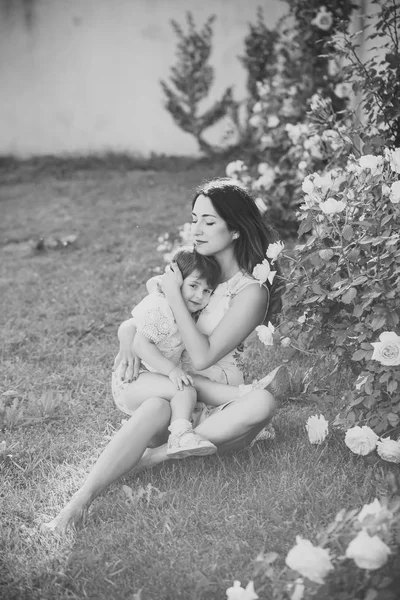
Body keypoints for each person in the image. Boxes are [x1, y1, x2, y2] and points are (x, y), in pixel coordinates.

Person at [45, 178, 290, 532]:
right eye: (195, 219)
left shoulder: (250, 292)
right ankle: (78, 503)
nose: (197, 229)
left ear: (235, 230)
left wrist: (175, 293)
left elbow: (203, 357)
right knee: (159, 404)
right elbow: (150, 314)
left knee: (262, 405)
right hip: (172, 388)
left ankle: (153, 458)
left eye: (209, 221)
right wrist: (125, 332)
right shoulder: (192, 268)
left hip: (213, 403)